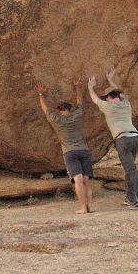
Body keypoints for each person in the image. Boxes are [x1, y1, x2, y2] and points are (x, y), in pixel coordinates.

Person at [88, 69, 138, 210]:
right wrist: (110, 80)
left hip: (123, 140)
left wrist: (90, 87)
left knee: (131, 171)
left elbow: (94, 99)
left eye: (107, 97)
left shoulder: (108, 107)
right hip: (135, 138)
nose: (106, 99)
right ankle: (130, 197)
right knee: (129, 169)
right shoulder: (126, 104)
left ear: (109, 97)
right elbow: (118, 93)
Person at [36, 78, 94, 214]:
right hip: (84, 150)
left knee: (78, 180)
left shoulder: (58, 120)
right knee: (86, 181)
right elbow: (80, 103)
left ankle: (82, 208)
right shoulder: (77, 116)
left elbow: (45, 110)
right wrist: (78, 87)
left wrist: (41, 95)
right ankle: (90, 206)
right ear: (69, 109)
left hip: (70, 153)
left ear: (61, 111)